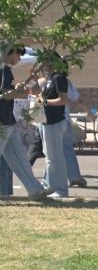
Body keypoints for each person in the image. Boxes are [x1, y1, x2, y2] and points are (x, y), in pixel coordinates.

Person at [0, 45, 48, 201]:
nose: (19, 59)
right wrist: (25, 90)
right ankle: (35, 190)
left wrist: (21, 88)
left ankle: (35, 190)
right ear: (10, 52)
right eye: (18, 55)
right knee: (19, 158)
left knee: (20, 159)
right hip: (2, 122)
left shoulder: (5, 70)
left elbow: (7, 92)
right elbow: (6, 94)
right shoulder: (4, 70)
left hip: (8, 121)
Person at [37, 56, 73, 200]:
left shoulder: (58, 78)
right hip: (47, 121)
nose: (43, 64)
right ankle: (50, 186)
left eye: (45, 61)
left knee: (55, 158)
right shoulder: (50, 78)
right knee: (50, 158)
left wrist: (45, 101)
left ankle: (61, 189)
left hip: (54, 122)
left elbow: (63, 100)